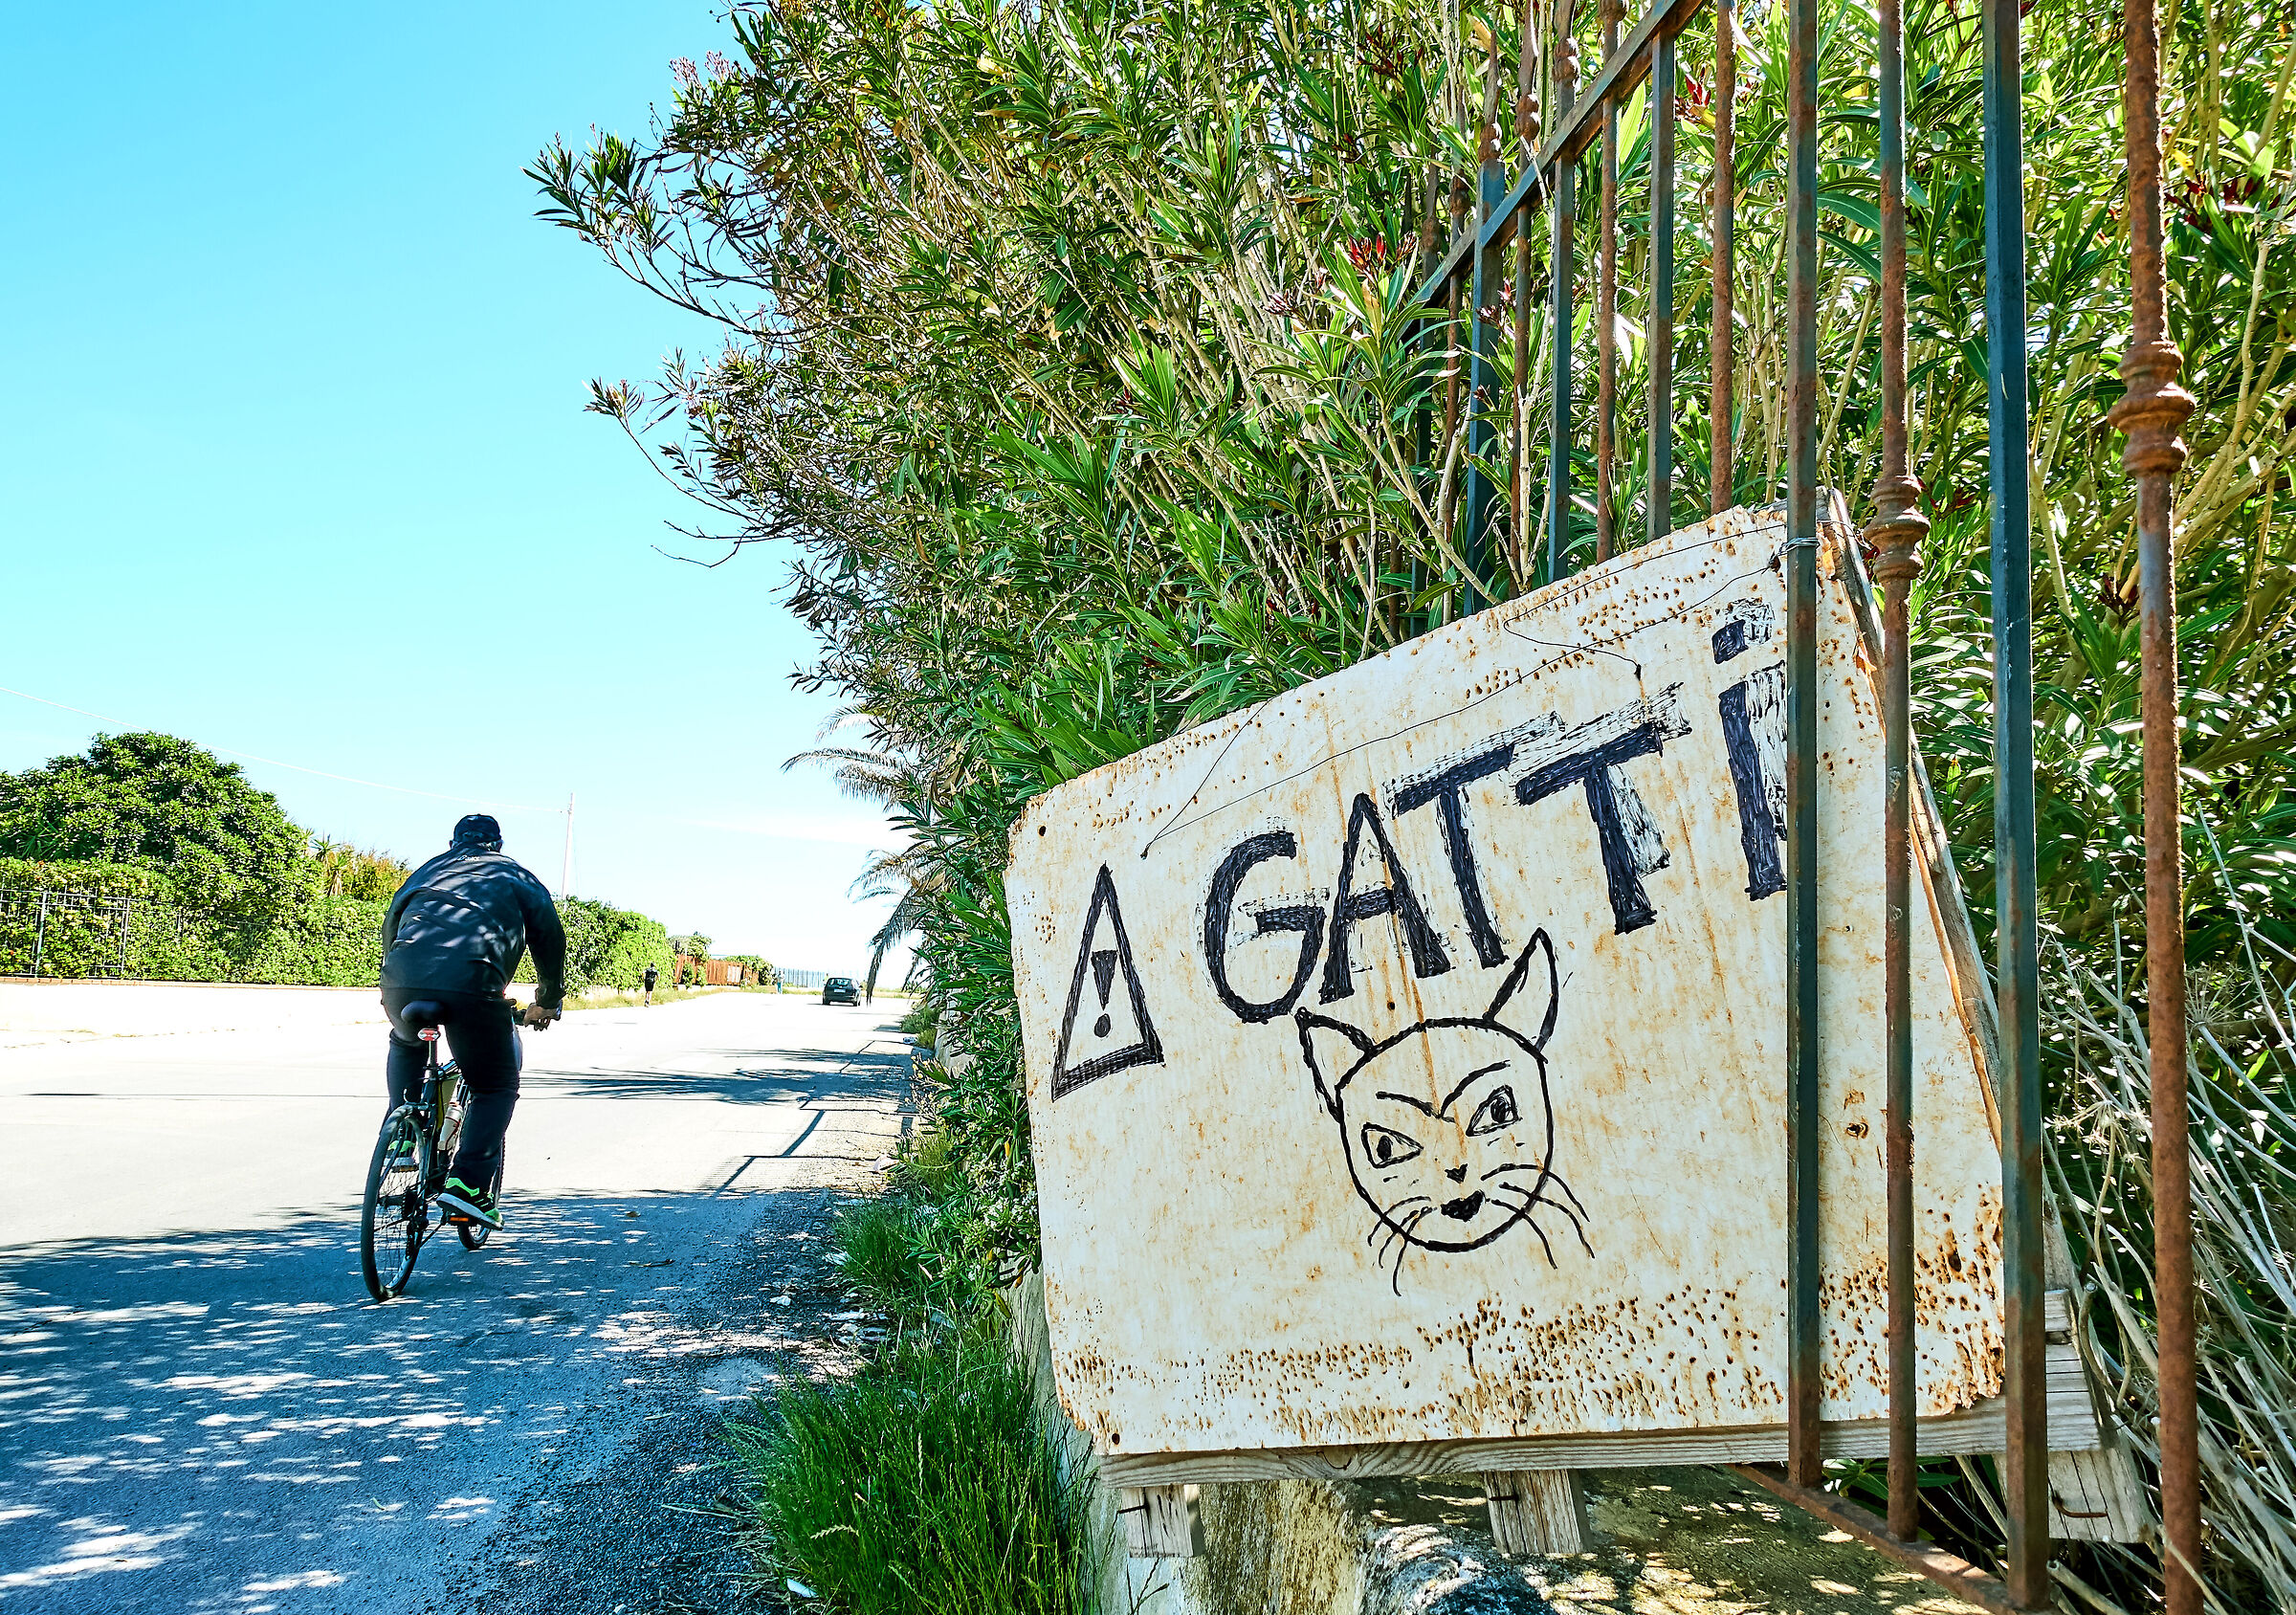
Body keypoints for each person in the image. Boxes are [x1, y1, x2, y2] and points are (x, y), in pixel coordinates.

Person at [379, 813, 564, 1228]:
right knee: (494, 1085)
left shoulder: (426, 870)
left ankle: (403, 1133)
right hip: (472, 984)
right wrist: (547, 1000)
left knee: (406, 1041)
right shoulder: (518, 876)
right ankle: (469, 1186)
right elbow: (549, 938)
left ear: (453, 842)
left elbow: (392, 923)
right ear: (497, 845)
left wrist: (391, 982)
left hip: (402, 981)